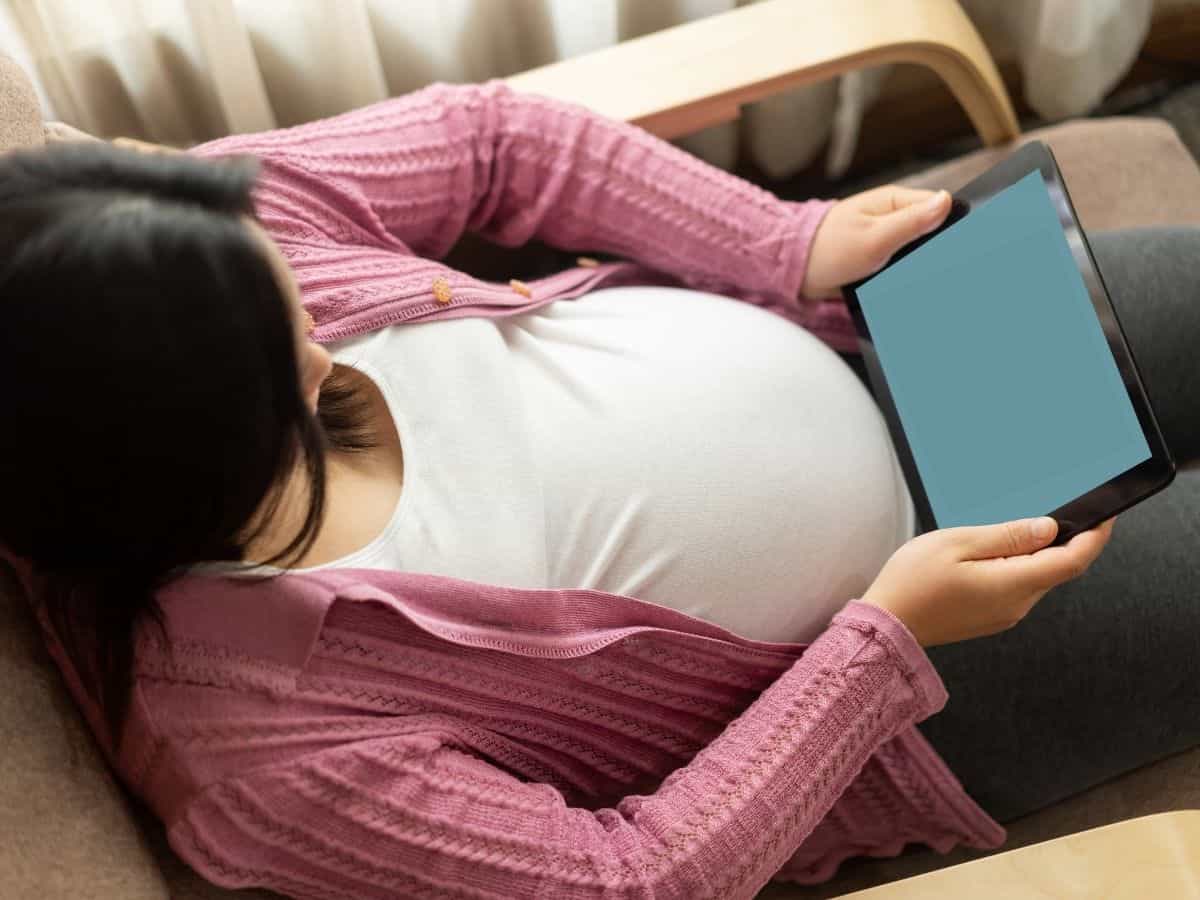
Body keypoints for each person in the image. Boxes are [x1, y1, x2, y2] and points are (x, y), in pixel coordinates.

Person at [0, 80, 1195, 898]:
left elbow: (493, 139)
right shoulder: (267, 755)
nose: (323, 338)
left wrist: (787, 244)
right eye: (281, 364)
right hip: (934, 679)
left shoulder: (162, 255)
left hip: (881, 344)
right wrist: (885, 645)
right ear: (176, 467)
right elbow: (634, 879)